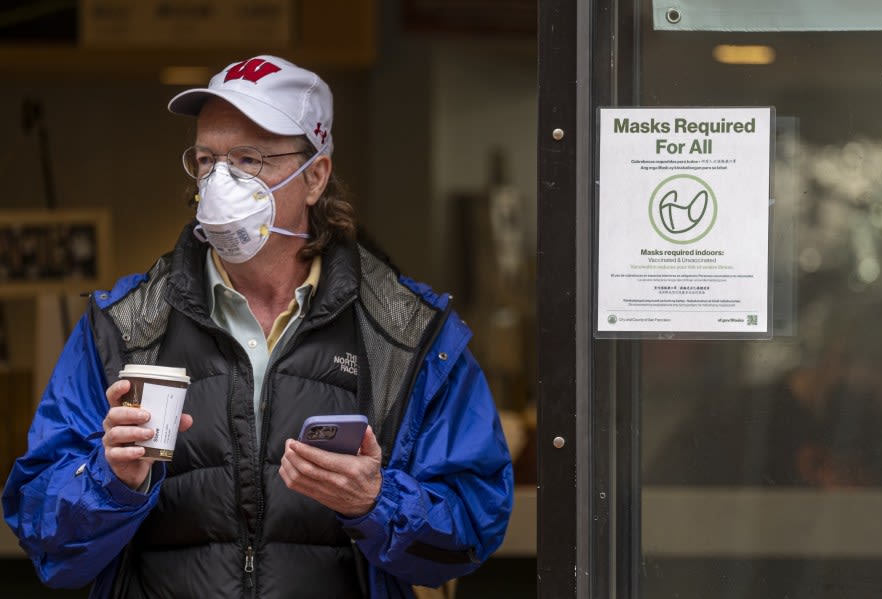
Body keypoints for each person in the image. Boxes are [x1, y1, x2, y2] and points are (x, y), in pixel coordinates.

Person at [2, 55, 514, 598]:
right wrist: (110, 483)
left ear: (315, 176)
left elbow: (471, 529)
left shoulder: (408, 335)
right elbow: (42, 536)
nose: (220, 181)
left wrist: (377, 502)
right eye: (206, 160)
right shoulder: (125, 326)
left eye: (249, 159)